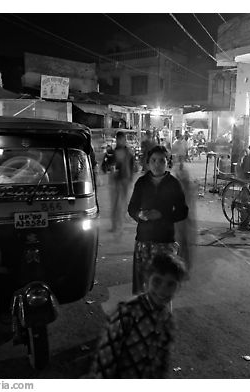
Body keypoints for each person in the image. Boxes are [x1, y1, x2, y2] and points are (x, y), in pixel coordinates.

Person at [90, 252, 188, 378]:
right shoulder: (126, 313)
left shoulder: (168, 320)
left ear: (178, 288)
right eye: (157, 281)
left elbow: (163, 360)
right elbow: (105, 359)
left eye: (171, 284)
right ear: (146, 281)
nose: (162, 290)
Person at [128, 145, 188, 295]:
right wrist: (139, 215)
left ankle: (163, 316)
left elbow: (183, 211)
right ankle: (145, 316)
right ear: (148, 163)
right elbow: (132, 207)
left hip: (165, 241)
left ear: (168, 162)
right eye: (153, 160)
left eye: (162, 161)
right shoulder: (141, 183)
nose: (157, 164)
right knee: (143, 285)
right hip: (143, 240)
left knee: (162, 287)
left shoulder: (173, 184)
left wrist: (162, 216)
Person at [110, 131, 135, 233]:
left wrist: (131, 178)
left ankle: (119, 224)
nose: (120, 141)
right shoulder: (113, 151)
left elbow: (132, 166)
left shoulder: (128, 152)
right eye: (118, 139)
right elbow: (109, 164)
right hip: (116, 179)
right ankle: (116, 225)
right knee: (116, 203)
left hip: (125, 179)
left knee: (123, 203)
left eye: (122, 139)